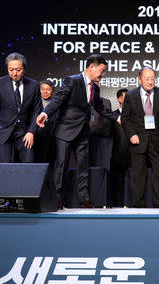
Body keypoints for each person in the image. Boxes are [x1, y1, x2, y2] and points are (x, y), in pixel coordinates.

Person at [36, 54, 118, 208]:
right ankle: (56, 199)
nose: (102, 74)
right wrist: (45, 113)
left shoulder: (95, 87)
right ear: (92, 67)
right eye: (101, 70)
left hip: (83, 132)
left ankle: (84, 199)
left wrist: (117, 118)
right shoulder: (72, 80)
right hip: (64, 131)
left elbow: (99, 107)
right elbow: (58, 100)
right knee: (60, 167)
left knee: (83, 168)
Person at [121, 67, 159, 208]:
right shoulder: (130, 95)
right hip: (138, 140)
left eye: (153, 79)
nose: (150, 82)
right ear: (140, 79)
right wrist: (131, 134)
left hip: (157, 139)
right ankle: (138, 206)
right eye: (147, 79)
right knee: (138, 176)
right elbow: (125, 119)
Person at [0, 53, 41, 165]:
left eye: (18, 70)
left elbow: (36, 110)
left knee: (28, 165)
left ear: (24, 69)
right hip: (4, 131)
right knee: (5, 167)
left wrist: (31, 132)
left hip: (25, 132)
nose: (14, 73)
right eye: (11, 69)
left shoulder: (33, 85)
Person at [110, 88, 130, 207]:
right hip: (116, 153)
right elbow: (109, 134)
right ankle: (117, 202)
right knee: (117, 179)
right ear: (119, 99)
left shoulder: (135, 115)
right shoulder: (113, 115)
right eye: (125, 97)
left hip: (132, 152)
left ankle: (129, 202)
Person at [34, 80, 56, 163]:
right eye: (43, 89)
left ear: (52, 91)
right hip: (36, 135)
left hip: (51, 137)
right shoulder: (34, 102)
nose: (45, 92)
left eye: (48, 90)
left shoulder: (55, 103)